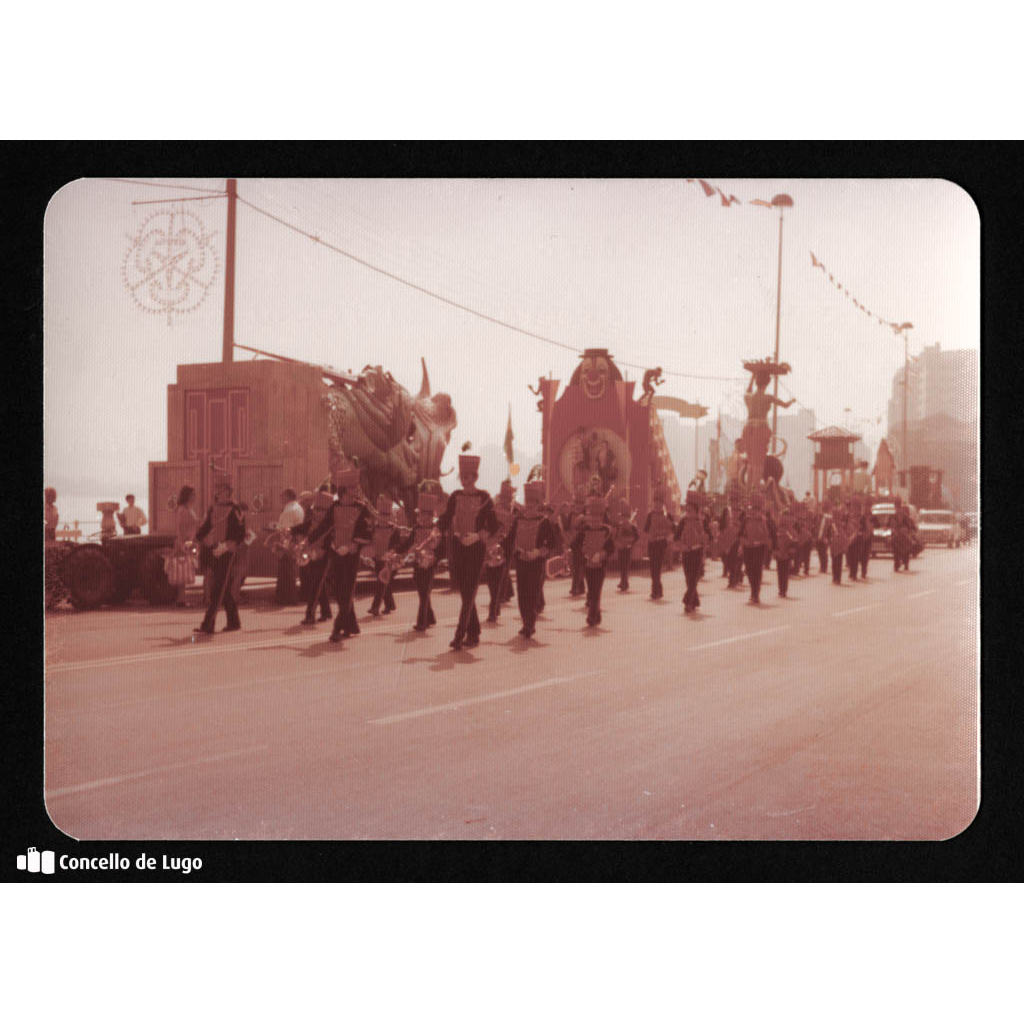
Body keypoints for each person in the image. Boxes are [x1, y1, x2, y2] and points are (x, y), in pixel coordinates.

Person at [436, 451, 498, 651]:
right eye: (462, 476)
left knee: (470, 590)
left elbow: (494, 525)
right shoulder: (455, 496)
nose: (464, 480)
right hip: (458, 547)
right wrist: (436, 530)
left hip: (475, 548)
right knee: (465, 593)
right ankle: (474, 631)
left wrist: (478, 536)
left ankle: (459, 635)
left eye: (468, 476)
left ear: (475, 477)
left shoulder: (485, 497)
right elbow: (446, 518)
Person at [307, 466, 374, 642]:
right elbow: (324, 527)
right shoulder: (334, 507)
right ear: (343, 491)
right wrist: (307, 541)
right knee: (338, 592)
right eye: (352, 488)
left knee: (346, 592)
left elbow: (367, 533)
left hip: (351, 554)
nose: (355, 491)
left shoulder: (362, 508)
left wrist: (352, 545)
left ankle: (337, 628)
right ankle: (352, 625)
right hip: (336, 553)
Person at [194, 472, 245, 634]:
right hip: (214, 549)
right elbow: (206, 527)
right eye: (216, 487)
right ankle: (234, 622)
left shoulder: (236, 508)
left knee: (217, 588)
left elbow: (240, 533)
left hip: (228, 551)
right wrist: (196, 539)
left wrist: (228, 545)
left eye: (220, 487)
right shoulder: (213, 507)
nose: (216, 490)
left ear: (228, 490)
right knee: (224, 588)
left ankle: (207, 624)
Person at [509, 480, 558, 638]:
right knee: (522, 593)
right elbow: (510, 540)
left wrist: (537, 552)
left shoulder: (544, 522)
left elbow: (552, 543)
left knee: (533, 593)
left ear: (538, 504)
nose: (529, 505)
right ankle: (525, 622)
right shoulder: (518, 520)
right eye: (527, 501)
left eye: (533, 502)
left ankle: (530, 624)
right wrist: (516, 551)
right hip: (521, 561)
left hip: (536, 563)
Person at [570, 495, 615, 628]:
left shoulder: (607, 530)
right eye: (592, 516)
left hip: (601, 566)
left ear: (601, 517)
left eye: (597, 516)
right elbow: (574, 544)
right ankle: (597, 614)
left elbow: (611, 548)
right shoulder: (585, 529)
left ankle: (591, 616)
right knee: (592, 590)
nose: (594, 519)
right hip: (588, 565)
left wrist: (602, 554)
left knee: (597, 590)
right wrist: (574, 550)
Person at [295, 488, 334, 625]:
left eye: (319, 510)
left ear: (327, 512)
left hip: (325, 557)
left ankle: (309, 615)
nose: (315, 512)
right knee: (319, 585)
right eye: (315, 509)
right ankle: (326, 612)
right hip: (312, 556)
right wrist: (289, 530)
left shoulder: (331, 527)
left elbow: (330, 544)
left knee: (315, 585)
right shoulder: (313, 522)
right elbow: (301, 527)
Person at [484, 481, 516, 623]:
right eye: (504, 496)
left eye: (508, 496)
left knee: (499, 579)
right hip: (490, 545)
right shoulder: (492, 507)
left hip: (506, 548)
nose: (505, 499)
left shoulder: (515, 510)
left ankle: (493, 609)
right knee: (490, 579)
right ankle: (495, 604)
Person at [675, 489, 712, 612]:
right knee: (688, 578)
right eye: (687, 507)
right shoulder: (683, 521)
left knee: (694, 578)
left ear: (696, 508)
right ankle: (694, 601)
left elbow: (710, 537)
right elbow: (676, 537)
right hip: (686, 553)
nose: (688, 510)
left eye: (690, 507)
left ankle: (687, 603)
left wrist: (704, 542)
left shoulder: (703, 521)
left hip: (698, 553)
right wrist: (682, 546)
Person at [737, 490, 775, 605]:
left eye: (758, 509)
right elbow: (740, 534)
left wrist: (767, 544)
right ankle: (754, 591)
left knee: (757, 570)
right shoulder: (746, 520)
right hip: (748, 547)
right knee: (749, 569)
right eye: (753, 508)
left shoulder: (766, 521)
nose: (755, 511)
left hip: (760, 548)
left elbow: (772, 535)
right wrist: (743, 544)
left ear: (761, 510)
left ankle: (755, 594)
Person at [367, 495, 401, 617]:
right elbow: (370, 542)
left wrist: (390, 556)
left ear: (390, 516)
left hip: (389, 562)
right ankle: (390, 605)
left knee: (382, 582)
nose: (383, 518)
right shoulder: (374, 528)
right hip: (377, 559)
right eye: (381, 514)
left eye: (386, 515)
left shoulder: (394, 530)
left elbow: (398, 547)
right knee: (384, 583)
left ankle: (375, 607)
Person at [644, 484, 676, 599]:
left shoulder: (668, 516)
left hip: (661, 544)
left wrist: (668, 539)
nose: (657, 504)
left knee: (657, 568)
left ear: (663, 503)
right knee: (653, 568)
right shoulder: (650, 515)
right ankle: (658, 590)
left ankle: (655, 591)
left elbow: (674, 530)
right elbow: (646, 530)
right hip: (652, 544)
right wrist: (649, 537)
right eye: (655, 502)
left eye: (659, 502)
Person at [273, 488, 304, 605]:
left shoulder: (289, 510)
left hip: (288, 542)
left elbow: (286, 530)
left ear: (288, 496)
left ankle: (285, 599)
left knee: (285, 571)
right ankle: (291, 597)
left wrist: (281, 547)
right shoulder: (298, 508)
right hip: (295, 541)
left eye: (282, 496)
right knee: (290, 571)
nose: (280, 498)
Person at [173, 484, 199, 607]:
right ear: (187, 495)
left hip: (189, 542)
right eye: (193, 494)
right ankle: (181, 599)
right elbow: (181, 528)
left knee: (185, 570)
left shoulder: (188, 508)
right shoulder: (183, 510)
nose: (195, 497)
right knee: (182, 571)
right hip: (185, 543)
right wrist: (185, 543)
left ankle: (182, 598)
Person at [613, 499, 639, 592]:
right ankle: (624, 582)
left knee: (626, 566)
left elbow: (636, 537)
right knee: (622, 565)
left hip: (628, 548)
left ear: (627, 517)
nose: (623, 519)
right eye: (622, 517)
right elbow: (615, 536)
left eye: (624, 517)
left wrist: (630, 544)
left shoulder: (632, 527)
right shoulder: (619, 526)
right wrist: (617, 543)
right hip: (621, 548)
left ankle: (624, 583)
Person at [774, 505, 799, 598]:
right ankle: (781, 589)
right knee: (780, 573)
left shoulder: (792, 530)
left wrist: (791, 551)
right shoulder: (778, 528)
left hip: (787, 554)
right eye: (785, 515)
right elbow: (774, 540)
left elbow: (795, 542)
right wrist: (775, 551)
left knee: (785, 573)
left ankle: (784, 590)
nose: (785, 517)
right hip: (779, 553)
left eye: (787, 515)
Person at [567, 486, 588, 597]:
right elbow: (567, 528)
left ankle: (575, 587)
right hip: (573, 543)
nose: (578, 505)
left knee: (578, 567)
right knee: (575, 567)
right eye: (576, 503)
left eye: (580, 503)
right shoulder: (571, 514)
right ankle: (581, 587)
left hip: (581, 545)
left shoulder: (586, 516)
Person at [825, 505, 850, 585]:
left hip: (836, 546)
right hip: (836, 546)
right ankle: (836, 578)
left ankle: (836, 578)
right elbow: (828, 535)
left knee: (836, 562)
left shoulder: (837, 524)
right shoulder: (834, 524)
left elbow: (828, 535)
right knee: (837, 563)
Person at [815, 501, 831, 575]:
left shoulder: (827, 518)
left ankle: (824, 567)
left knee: (824, 552)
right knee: (819, 552)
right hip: (817, 538)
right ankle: (822, 566)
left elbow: (829, 529)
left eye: (820, 508)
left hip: (824, 538)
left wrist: (828, 538)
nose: (819, 510)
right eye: (818, 508)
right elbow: (814, 527)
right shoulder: (816, 517)